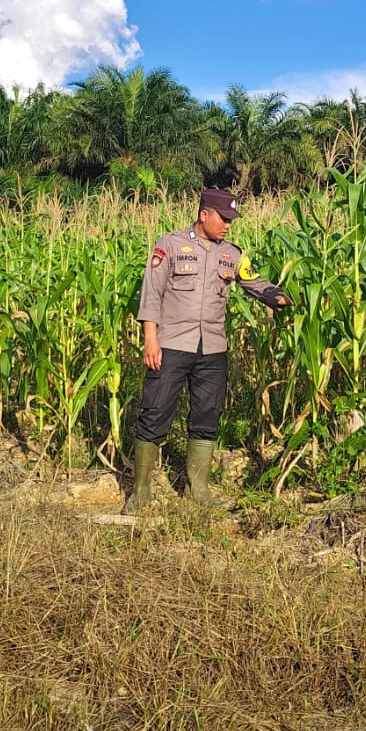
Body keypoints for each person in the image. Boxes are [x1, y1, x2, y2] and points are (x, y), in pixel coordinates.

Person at [124, 187, 290, 511]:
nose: (228, 225)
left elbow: (254, 282)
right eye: (223, 219)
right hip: (171, 344)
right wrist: (150, 338)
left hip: (212, 348)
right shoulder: (170, 245)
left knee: (207, 414)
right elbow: (151, 293)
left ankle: (197, 490)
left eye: (231, 220)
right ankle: (140, 493)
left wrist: (284, 297)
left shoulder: (231, 254)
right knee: (155, 412)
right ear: (204, 215)